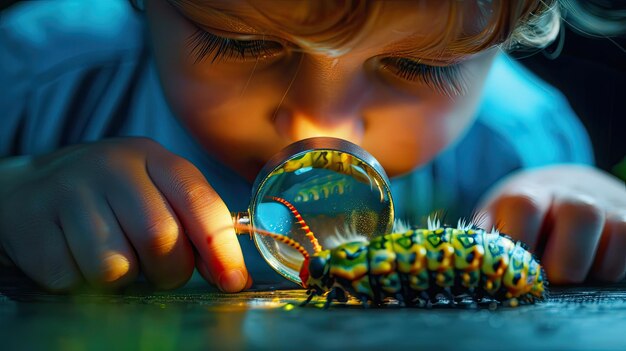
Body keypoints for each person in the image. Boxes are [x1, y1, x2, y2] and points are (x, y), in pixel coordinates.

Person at [0, 0, 624, 294]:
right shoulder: (26, 87)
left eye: (417, 64)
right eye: (242, 45)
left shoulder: (525, 146)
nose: (318, 129)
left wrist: (585, 216)